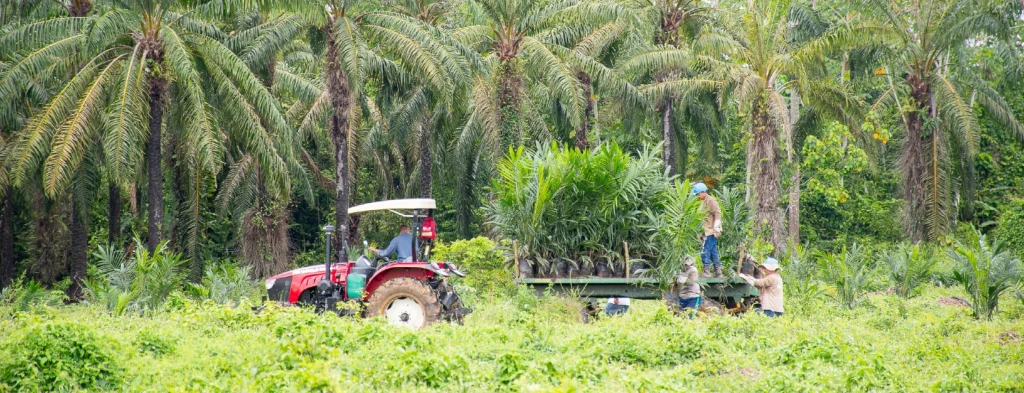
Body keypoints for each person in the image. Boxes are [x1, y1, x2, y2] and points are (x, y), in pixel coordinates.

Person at [693, 182, 723, 278]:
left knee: (705, 250)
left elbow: (718, 213)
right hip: (705, 231)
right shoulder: (701, 201)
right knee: (713, 252)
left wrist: (716, 228)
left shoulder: (711, 201)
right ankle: (718, 272)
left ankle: (707, 271)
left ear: (703, 192)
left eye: (698, 194)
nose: (697, 196)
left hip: (710, 231)